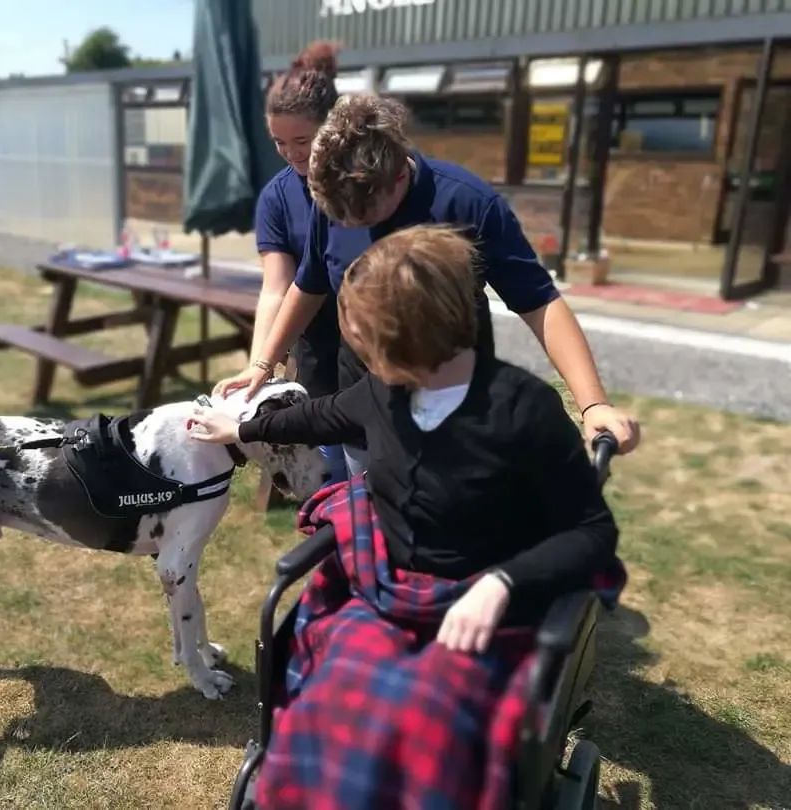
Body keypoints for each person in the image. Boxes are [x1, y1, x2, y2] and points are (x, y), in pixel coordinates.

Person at [190, 225, 626, 810]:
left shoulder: (524, 410)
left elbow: (592, 534)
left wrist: (502, 584)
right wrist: (240, 428)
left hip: (488, 602)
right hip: (389, 592)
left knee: (420, 720)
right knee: (321, 692)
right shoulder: (383, 391)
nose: (356, 346)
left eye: (365, 335)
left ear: (412, 338)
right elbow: (315, 418)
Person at [218, 93, 640, 476]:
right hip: (366, 405)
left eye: (366, 218)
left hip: (452, 411)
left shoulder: (467, 202)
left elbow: (539, 302)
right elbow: (308, 285)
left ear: (399, 175)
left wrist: (593, 403)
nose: (353, 226)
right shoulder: (334, 199)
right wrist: (262, 362)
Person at [249, 40, 367, 485]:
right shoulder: (278, 197)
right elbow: (277, 288)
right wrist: (261, 361)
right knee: (332, 470)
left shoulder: (365, 186)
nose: (292, 153)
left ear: (332, 128)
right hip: (319, 350)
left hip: (379, 348)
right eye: (279, 142)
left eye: (303, 140)